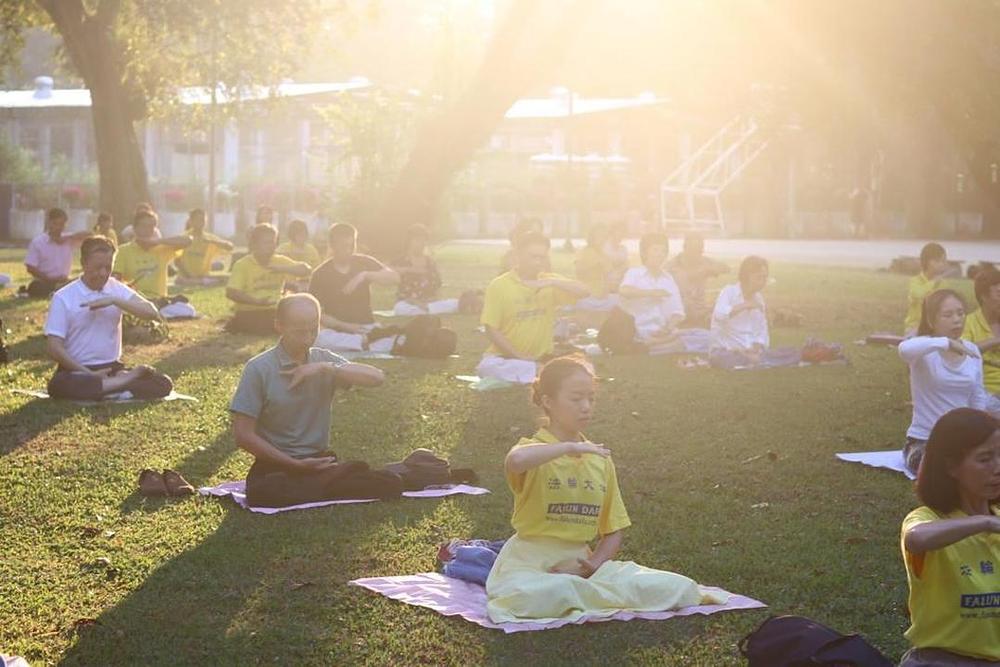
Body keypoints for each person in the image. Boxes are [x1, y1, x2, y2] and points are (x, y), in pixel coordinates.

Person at [485, 355, 726, 623]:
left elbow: (613, 530)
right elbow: (515, 461)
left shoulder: (599, 458)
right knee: (535, 594)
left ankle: (585, 593)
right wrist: (569, 447)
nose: (586, 407)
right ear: (548, 401)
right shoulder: (532, 449)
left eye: (591, 398)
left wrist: (593, 565)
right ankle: (585, 594)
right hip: (528, 565)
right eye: (576, 399)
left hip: (580, 567)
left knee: (677, 587)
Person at [230, 293, 399, 507]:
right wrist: (295, 465)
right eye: (300, 328)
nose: (308, 335)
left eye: (313, 327)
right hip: (275, 465)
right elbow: (243, 435)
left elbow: (377, 378)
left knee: (390, 483)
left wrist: (325, 368)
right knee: (265, 493)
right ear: (279, 326)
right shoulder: (259, 368)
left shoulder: (323, 360)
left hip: (320, 462)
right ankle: (329, 482)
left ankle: (321, 482)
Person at [899, 407, 1000, 666]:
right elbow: (916, 539)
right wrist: (984, 522)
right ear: (951, 466)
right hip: (941, 660)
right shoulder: (927, 518)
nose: (997, 468)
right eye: (985, 458)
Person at [43, 236, 173, 400]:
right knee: (58, 386)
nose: (103, 273)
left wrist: (114, 300)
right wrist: (89, 374)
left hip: (112, 369)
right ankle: (124, 382)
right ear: (83, 263)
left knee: (162, 383)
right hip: (77, 371)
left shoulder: (116, 289)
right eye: (97, 267)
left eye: (108, 267)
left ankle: (110, 386)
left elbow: (151, 312)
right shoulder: (63, 297)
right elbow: (54, 348)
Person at [898, 289, 1000, 474]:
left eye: (961, 313)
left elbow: (977, 402)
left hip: (963, 441)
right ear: (931, 320)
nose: (957, 319)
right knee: (946, 470)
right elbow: (904, 349)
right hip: (924, 441)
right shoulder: (924, 350)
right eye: (948, 314)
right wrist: (945, 342)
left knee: (982, 467)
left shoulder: (972, 351)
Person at [477, 231, 589, 383]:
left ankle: (539, 372)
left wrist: (552, 282)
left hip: (542, 357)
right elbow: (491, 329)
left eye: (542, 257)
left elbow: (585, 291)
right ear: (518, 255)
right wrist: (519, 356)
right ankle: (541, 372)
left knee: (585, 366)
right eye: (533, 256)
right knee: (486, 367)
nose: (538, 262)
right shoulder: (499, 285)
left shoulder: (548, 281)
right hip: (506, 358)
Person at [309, 223, 399, 351]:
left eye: (352, 245)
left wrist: (364, 275)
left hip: (366, 327)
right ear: (332, 246)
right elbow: (317, 315)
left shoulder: (363, 262)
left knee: (395, 337)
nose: (349, 250)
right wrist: (346, 326)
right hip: (338, 330)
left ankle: (364, 342)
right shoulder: (320, 274)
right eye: (344, 246)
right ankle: (367, 342)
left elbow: (394, 277)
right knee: (319, 339)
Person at [708, 256, 799, 369]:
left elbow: (762, 332)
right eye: (759, 277)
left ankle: (754, 360)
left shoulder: (759, 299)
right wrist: (746, 305)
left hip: (752, 353)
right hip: (728, 351)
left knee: (793, 352)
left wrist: (757, 347)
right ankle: (754, 360)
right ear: (746, 277)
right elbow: (719, 316)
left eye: (765, 278)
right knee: (719, 358)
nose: (763, 282)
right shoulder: (728, 292)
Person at [225, 223, 311, 335]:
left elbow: (306, 269)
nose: (272, 246)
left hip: (275, 311)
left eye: (274, 242)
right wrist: (256, 302)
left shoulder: (279, 261)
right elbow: (231, 292)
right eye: (267, 242)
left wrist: (282, 268)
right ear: (254, 244)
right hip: (250, 311)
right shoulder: (242, 264)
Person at [617, 232, 686, 346]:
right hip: (636, 329)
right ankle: (648, 343)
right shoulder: (635, 272)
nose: (660, 254)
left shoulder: (668, 279)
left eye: (663, 251)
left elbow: (678, 311)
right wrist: (651, 293)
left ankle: (655, 342)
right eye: (655, 250)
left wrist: (668, 328)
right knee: (682, 342)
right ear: (644, 253)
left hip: (662, 331)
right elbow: (624, 291)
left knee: (698, 335)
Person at [113, 209, 192, 299]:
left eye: (152, 226)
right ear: (134, 228)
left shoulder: (161, 249)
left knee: (187, 309)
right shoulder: (123, 251)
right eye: (144, 226)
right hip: (135, 304)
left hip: (160, 302)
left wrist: (158, 241)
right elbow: (115, 281)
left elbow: (188, 241)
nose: (148, 230)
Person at [391, 224, 457, 316]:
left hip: (429, 303)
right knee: (400, 308)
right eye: (417, 240)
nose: (421, 243)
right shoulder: (401, 261)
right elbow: (385, 271)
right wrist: (409, 270)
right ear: (409, 241)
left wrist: (430, 302)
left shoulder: (430, 262)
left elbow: (437, 286)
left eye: (423, 240)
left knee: (454, 303)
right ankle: (425, 311)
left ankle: (426, 311)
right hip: (408, 303)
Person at [24, 207, 89, 298]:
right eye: (55, 224)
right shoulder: (38, 242)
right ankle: (58, 289)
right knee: (35, 287)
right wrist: (48, 278)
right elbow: (30, 267)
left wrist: (67, 238)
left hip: (64, 280)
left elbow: (91, 236)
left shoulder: (69, 240)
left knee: (82, 280)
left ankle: (59, 289)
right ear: (49, 222)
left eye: (61, 224)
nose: (58, 227)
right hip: (45, 281)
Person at [666, 232, 728, 327]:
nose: (696, 254)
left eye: (699, 250)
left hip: (701, 309)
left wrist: (711, 269)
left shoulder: (704, 261)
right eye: (693, 250)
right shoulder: (673, 265)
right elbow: (683, 278)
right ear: (685, 248)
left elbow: (725, 268)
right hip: (680, 309)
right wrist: (700, 272)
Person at [963, 268, 1000, 396]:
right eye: (999, 293)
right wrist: (995, 341)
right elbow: (963, 350)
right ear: (984, 296)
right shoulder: (969, 322)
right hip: (985, 390)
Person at [175, 209, 234, 286]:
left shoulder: (209, 238)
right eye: (197, 220)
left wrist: (213, 242)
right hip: (186, 276)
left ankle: (198, 281)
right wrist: (188, 275)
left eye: (203, 220)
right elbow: (177, 261)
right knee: (182, 280)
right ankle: (196, 281)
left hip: (203, 276)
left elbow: (230, 247)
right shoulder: (184, 238)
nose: (201, 222)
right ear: (191, 221)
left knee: (229, 278)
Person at [905, 243, 950, 338]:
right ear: (929, 262)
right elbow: (918, 295)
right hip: (915, 327)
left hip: (936, 329)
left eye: (944, 261)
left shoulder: (943, 284)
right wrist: (933, 283)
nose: (944, 264)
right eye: (940, 261)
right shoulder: (915, 281)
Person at [572, 223, 619, 312]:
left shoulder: (605, 256)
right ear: (592, 237)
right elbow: (578, 271)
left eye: (604, 236)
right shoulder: (584, 252)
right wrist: (595, 264)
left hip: (603, 297)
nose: (602, 239)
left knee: (621, 301)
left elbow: (610, 276)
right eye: (599, 235)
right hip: (586, 296)